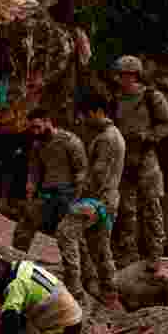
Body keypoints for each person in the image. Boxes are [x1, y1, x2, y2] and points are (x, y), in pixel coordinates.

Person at [55, 93, 126, 308]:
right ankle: (108, 291)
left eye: (86, 115)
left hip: (98, 200)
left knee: (65, 232)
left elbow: (97, 176)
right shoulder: (113, 134)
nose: (84, 120)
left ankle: (75, 289)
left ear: (97, 112)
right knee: (100, 246)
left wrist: (76, 200)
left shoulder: (106, 139)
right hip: (109, 199)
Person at [109, 54, 168, 273]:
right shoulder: (116, 99)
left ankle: (155, 254)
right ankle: (129, 254)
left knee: (151, 206)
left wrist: (148, 136)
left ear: (133, 75)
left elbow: (167, 125)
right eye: (118, 75)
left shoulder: (152, 97)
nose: (119, 79)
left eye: (123, 75)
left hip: (146, 158)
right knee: (126, 210)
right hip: (124, 159)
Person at [11, 108, 87, 253]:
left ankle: (86, 272)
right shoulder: (38, 144)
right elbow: (34, 169)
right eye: (32, 128)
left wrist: (77, 199)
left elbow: (81, 171)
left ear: (48, 122)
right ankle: (16, 259)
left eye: (38, 127)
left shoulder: (69, 141)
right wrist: (30, 187)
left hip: (68, 194)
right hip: (46, 194)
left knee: (72, 235)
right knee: (24, 226)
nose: (35, 132)